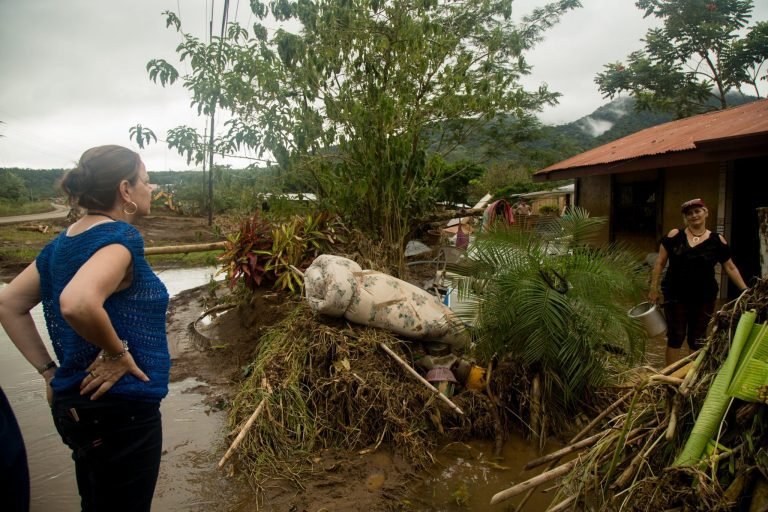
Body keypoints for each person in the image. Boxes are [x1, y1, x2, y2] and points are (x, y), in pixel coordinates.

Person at [0, 145, 169, 512]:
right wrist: (116, 352)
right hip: (120, 410)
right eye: (145, 179)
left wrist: (48, 372)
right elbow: (77, 303)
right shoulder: (120, 239)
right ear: (125, 190)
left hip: (76, 407)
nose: (151, 187)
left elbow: (8, 304)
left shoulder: (61, 244)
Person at [649, 198, 748, 366]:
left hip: (704, 297)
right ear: (685, 218)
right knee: (676, 336)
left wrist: (745, 290)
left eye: (697, 211)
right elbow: (659, 263)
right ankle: (670, 375)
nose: (694, 215)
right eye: (689, 213)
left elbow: (730, 267)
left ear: (706, 213)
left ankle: (689, 377)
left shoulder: (718, 240)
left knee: (698, 338)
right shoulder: (675, 236)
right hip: (675, 294)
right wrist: (653, 288)